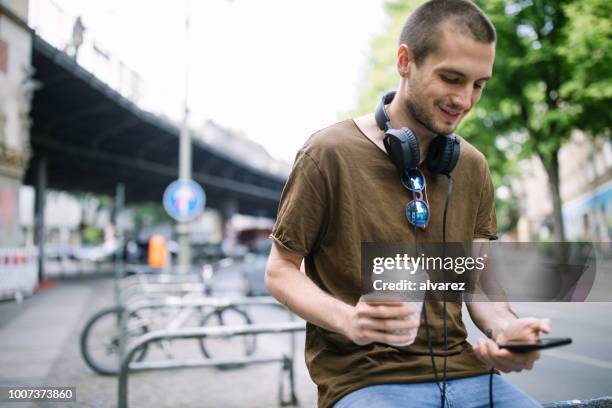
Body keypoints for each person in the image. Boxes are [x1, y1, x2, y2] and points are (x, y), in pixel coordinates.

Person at [265, 1, 551, 407]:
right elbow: (280, 272)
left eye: (478, 84)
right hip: (363, 382)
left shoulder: (472, 166)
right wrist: (350, 321)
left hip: (468, 373)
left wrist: (507, 330)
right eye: (451, 78)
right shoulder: (326, 153)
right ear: (405, 61)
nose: (465, 100)